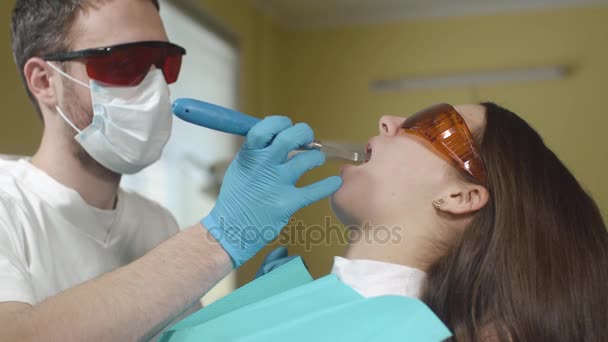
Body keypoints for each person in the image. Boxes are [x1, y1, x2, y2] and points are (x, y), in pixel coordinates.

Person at [0, 0, 341, 340]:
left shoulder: (155, 222)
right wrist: (223, 236)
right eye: (122, 63)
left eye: (163, 63)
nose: (154, 88)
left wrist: (248, 317)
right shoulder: (8, 204)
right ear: (44, 80)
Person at [329, 102, 608, 341]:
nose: (388, 122)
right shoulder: (315, 299)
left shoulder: (397, 334)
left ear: (461, 196)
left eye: (434, 122)